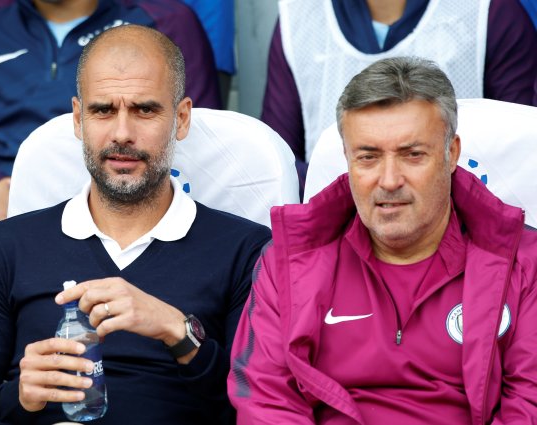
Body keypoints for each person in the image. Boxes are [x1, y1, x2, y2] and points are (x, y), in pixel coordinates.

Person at [0, 0, 220, 419]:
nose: (122, 129)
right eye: (102, 109)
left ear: (179, 117)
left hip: (155, 215)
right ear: (78, 117)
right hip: (1, 220)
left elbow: (216, 145)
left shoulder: (167, 18)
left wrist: (182, 333)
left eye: (143, 108)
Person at [228, 57, 537, 423]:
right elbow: (266, 399)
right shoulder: (290, 260)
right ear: (347, 159)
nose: (389, 180)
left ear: (450, 154)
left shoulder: (523, 260)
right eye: (369, 157)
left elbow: (529, 403)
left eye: (412, 155)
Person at [262, 0, 537, 193]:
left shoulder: (489, 11)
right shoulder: (297, 18)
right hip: (338, 225)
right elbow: (280, 159)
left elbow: (517, 151)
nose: (390, 182)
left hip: (460, 225)